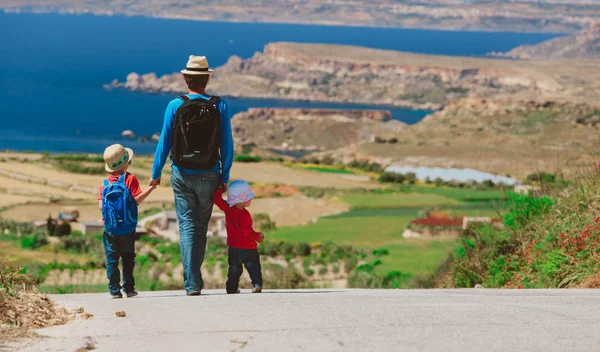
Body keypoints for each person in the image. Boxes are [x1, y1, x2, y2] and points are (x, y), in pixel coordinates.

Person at [150, 55, 234, 296]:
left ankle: (192, 283)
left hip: (181, 174)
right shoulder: (220, 105)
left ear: (187, 79)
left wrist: (156, 173)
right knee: (200, 226)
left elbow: (164, 143)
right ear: (207, 78)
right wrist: (224, 176)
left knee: (187, 226)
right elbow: (227, 145)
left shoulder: (175, 105)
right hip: (210, 174)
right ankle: (195, 279)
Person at [99, 144, 156, 299]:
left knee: (112, 259)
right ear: (127, 163)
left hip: (110, 228)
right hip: (127, 227)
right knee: (128, 258)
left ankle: (114, 291)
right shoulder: (130, 179)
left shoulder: (105, 184)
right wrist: (151, 188)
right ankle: (129, 289)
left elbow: (100, 205)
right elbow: (136, 200)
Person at [213, 180, 264, 294]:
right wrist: (258, 236)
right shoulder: (245, 215)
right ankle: (256, 285)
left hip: (233, 248)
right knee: (253, 267)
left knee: (234, 269)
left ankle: (231, 288)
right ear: (240, 199)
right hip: (249, 248)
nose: (251, 199)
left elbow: (216, 199)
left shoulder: (228, 209)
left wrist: (220, 189)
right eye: (248, 197)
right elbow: (247, 232)